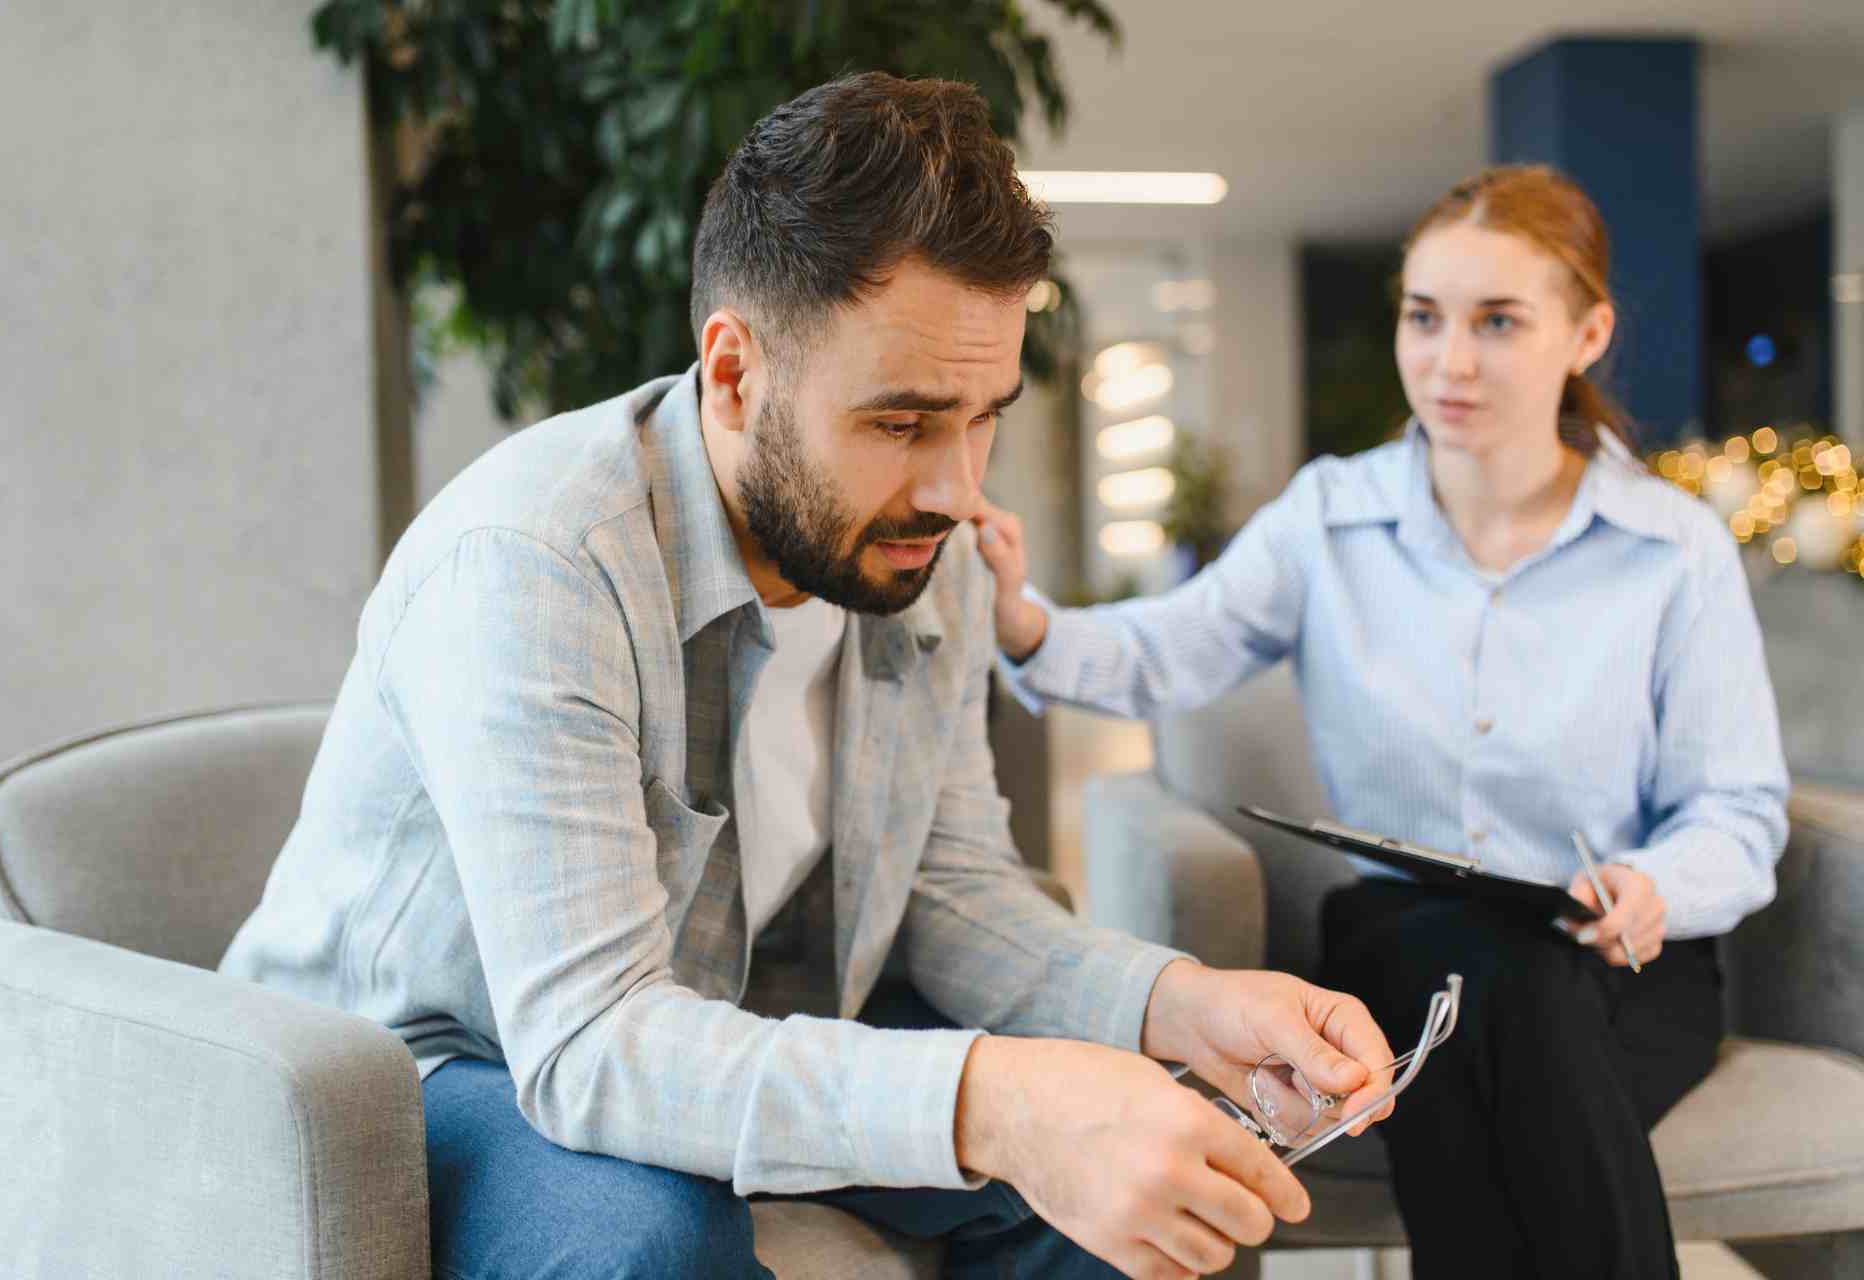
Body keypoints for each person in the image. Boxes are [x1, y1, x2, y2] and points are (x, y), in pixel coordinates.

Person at [219, 73, 1400, 1280]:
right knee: (648, 1241)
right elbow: (593, 1043)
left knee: (1143, 1169)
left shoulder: (919, 557)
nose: (954, 486)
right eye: (901, 422)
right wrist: (998, 1098)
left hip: (722, 1008)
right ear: (734, 374)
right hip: (439, 1060)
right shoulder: (534, 566)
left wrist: (1186, 1006)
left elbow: (954, 893)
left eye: (984, 414)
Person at [975, 165, 1790, 1279]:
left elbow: (1738, 811)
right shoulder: (1329, 517)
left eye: (1498, 321)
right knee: (1508, 1001)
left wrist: (1656, 883)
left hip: (1624, 963)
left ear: (1587, 332)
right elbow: (1169, 647)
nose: (1449, 361)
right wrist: (1023, 621)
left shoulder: (1673, 547)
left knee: (1515, 1019)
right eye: (1425, 317)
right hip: (1407, 936)